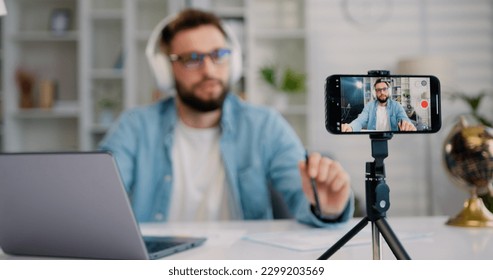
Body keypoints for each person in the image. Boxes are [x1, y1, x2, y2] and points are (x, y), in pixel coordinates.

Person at [98, 8, 354, 227]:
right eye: (191, 59)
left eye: (218, 55)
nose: (209, 70)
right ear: (165, 69)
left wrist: (325, 207)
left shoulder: (265, 125)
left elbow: (301, 194)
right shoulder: (135, 126)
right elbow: (99, 197)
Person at [341, 79, 417, 132]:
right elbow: (360, 121)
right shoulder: (369, 106)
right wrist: (351, 127)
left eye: (384, 89)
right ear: (375, 93)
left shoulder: (396, 105)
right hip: (373, 138)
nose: (382, 92)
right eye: (378, 90)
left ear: (389, 91)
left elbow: (404, 118)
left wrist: (408, 125)